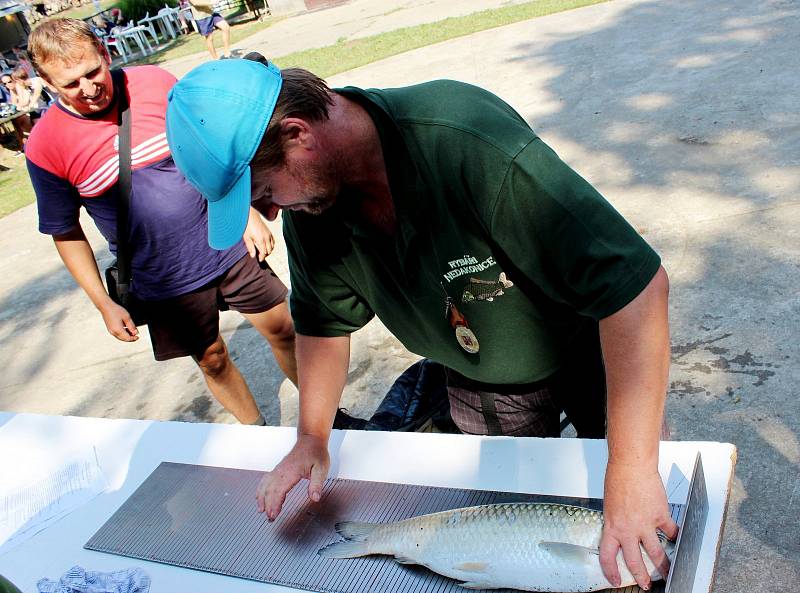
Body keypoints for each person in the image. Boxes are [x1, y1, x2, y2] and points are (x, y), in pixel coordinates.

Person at [166, 60, 678, 590]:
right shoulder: (313, 208)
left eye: (265, 193)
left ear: (297, 136)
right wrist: (311, 437)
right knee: (510, 543)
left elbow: (635, 290)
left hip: (597, 347)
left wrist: (632, 470)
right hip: (484, 375)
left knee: (639, 527)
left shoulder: (462, 138)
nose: (270, 214)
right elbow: (321, 324)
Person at [25, 20, 298, 426]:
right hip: (162, 278)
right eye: (70, 84)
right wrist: (104, 303)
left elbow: (208, 149)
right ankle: (256, 437)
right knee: (212, 359)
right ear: (46, 82)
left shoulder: (155, 83)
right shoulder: (45, 146)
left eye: (92, 72)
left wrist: (245, 211)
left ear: (105, 52)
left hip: (223, 241)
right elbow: (65, 232)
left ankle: (327, 419)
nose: (88, 89)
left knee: (285, 328)